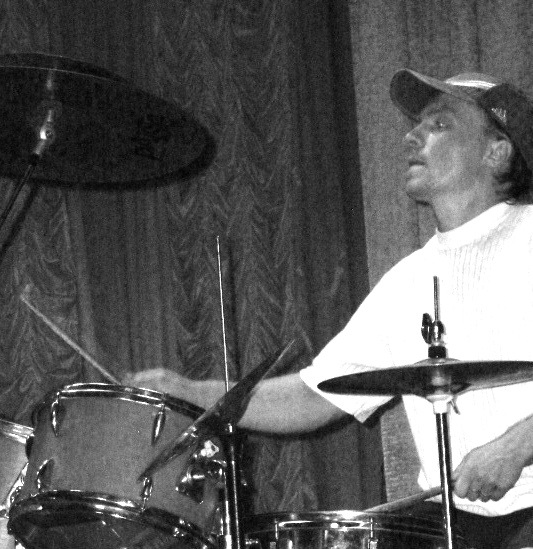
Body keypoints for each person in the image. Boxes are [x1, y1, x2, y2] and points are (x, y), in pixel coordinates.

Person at [127, 69, 533, 549]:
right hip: (450, 522)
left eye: (440, 124)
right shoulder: (407, 280)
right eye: (417, 125)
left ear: (495, 152)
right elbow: (315, 395)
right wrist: (191, 392)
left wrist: (518, 445)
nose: (412, 136)